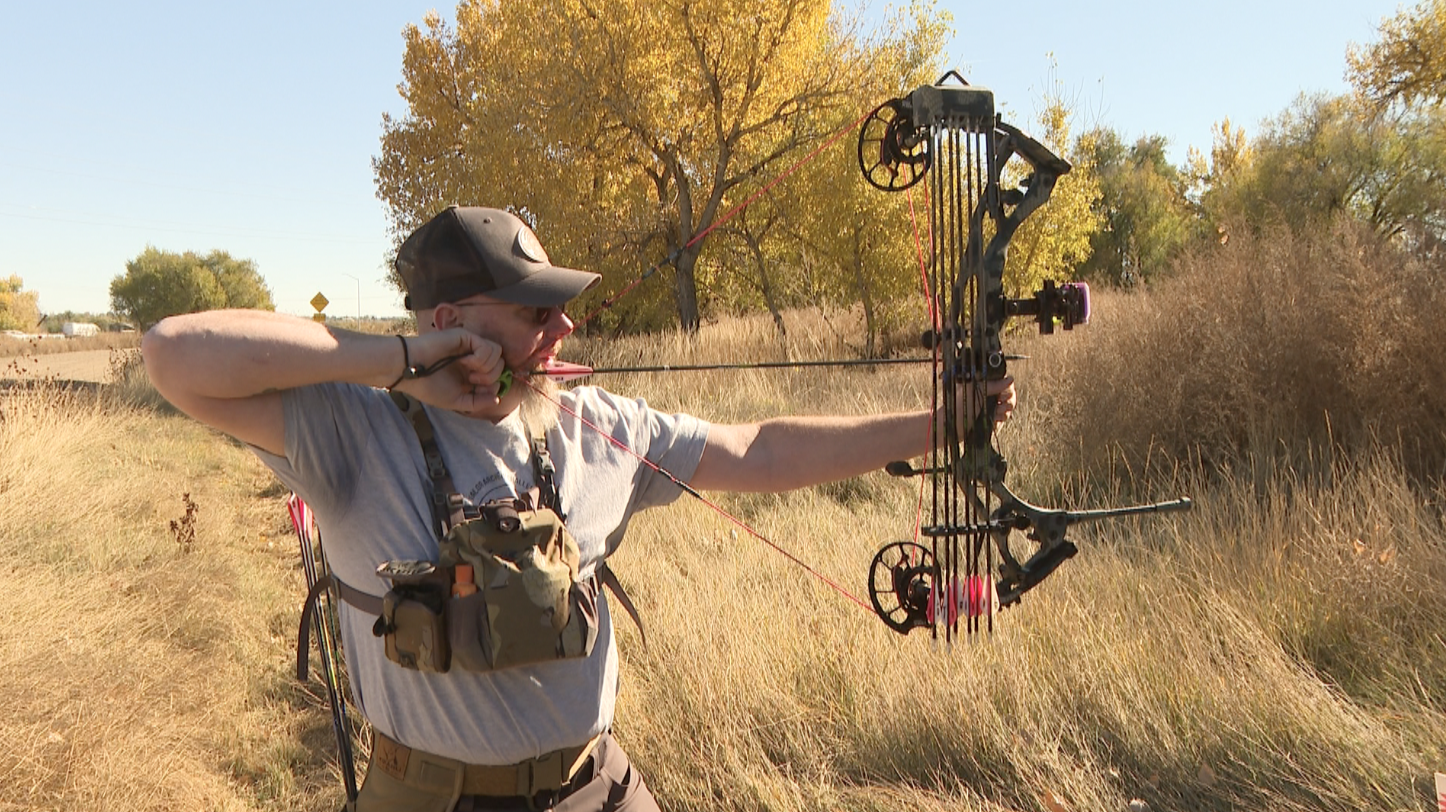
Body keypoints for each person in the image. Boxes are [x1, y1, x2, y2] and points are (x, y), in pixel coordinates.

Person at [142, 205, 1015, 812]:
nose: (562, 329)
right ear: (452, 319)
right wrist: (405, 358)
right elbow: (172, 353)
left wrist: (939, 424)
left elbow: (761, 449)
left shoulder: (596, 425)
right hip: (434, 796)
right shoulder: (349, 430)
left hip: (597, 785)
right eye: (534, 312)